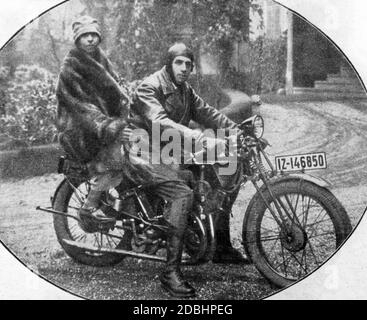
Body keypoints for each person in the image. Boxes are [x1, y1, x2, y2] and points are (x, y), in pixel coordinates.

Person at [132, 42, 250, 297]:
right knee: (181, 194)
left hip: (170, 149)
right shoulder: (149, 87)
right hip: (142, 148)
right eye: (179, 63)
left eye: (188, 64)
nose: (184, 68)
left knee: (224, 170)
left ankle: (220, 246)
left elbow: (209, 114)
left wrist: (238, 132)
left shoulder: (185, 90)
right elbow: (159, 122)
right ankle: (169, 273)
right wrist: (199, 138)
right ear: (168, 63)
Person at [56, 16, 131, 226]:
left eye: (93, 35)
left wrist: (131, 111)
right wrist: (112, 127)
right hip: (80, 131)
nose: (90, 39)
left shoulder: (102, 60)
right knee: (117, 162)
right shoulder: (70, 67)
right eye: (84, 36)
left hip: (101, 126)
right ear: (77, 39)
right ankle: (88, 208)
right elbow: (81, 108)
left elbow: (117, 94)